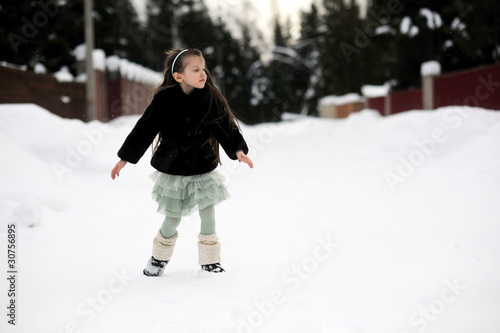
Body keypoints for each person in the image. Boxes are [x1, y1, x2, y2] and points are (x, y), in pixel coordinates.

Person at [111, 48, 253, 277]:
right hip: (173, 167)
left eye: (203, 69)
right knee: (173, 217)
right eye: (196, 69)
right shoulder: (164, 100)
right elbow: (144, 129)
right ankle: (158, 258)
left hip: (202, 165)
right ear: (179, 76)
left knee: (208, 212)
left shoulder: (210, 98)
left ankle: (210, 261)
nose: (203, 74)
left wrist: (238, 149)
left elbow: (225, 125)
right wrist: (125, 157)